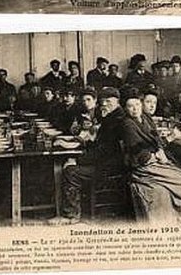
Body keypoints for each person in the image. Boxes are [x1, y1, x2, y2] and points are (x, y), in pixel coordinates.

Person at [49, 87, 128, 225]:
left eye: (108, 102)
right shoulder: (111, 117)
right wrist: (83, 147)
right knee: (70, 164)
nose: (104, 105)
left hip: (111, 168)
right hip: (108, 162)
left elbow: (104, 152)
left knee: (70, 171)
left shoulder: (117, 120)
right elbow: (99, 145)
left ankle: (71, 215)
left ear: (118, 102)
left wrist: (78, 160)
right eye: (103, 102)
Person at [121, 95, 181, 222]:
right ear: (126, 109)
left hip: (155, 161)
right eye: (130, 106)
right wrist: (157, 154)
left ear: (141, 105)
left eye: (137, 105)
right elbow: (138, 152)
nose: (135, 109)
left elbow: (156, 140)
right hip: (143, 166)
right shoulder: (127, 125)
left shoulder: (146, 118)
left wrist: (161, 148)